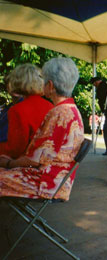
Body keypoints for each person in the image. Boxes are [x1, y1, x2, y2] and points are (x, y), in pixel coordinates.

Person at [0, 57, 84, 201]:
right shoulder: (70, 110)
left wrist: (8, 163)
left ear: (50, 86)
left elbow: (34, 159)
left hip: (45, 183)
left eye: (43, 81)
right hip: (56, 181)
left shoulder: (59, 113)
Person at [0, 64, 53, 159]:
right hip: (46, 161)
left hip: (26, 163)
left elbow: (15, 150)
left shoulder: (17, 110)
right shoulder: (51, 106)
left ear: (17, 82)